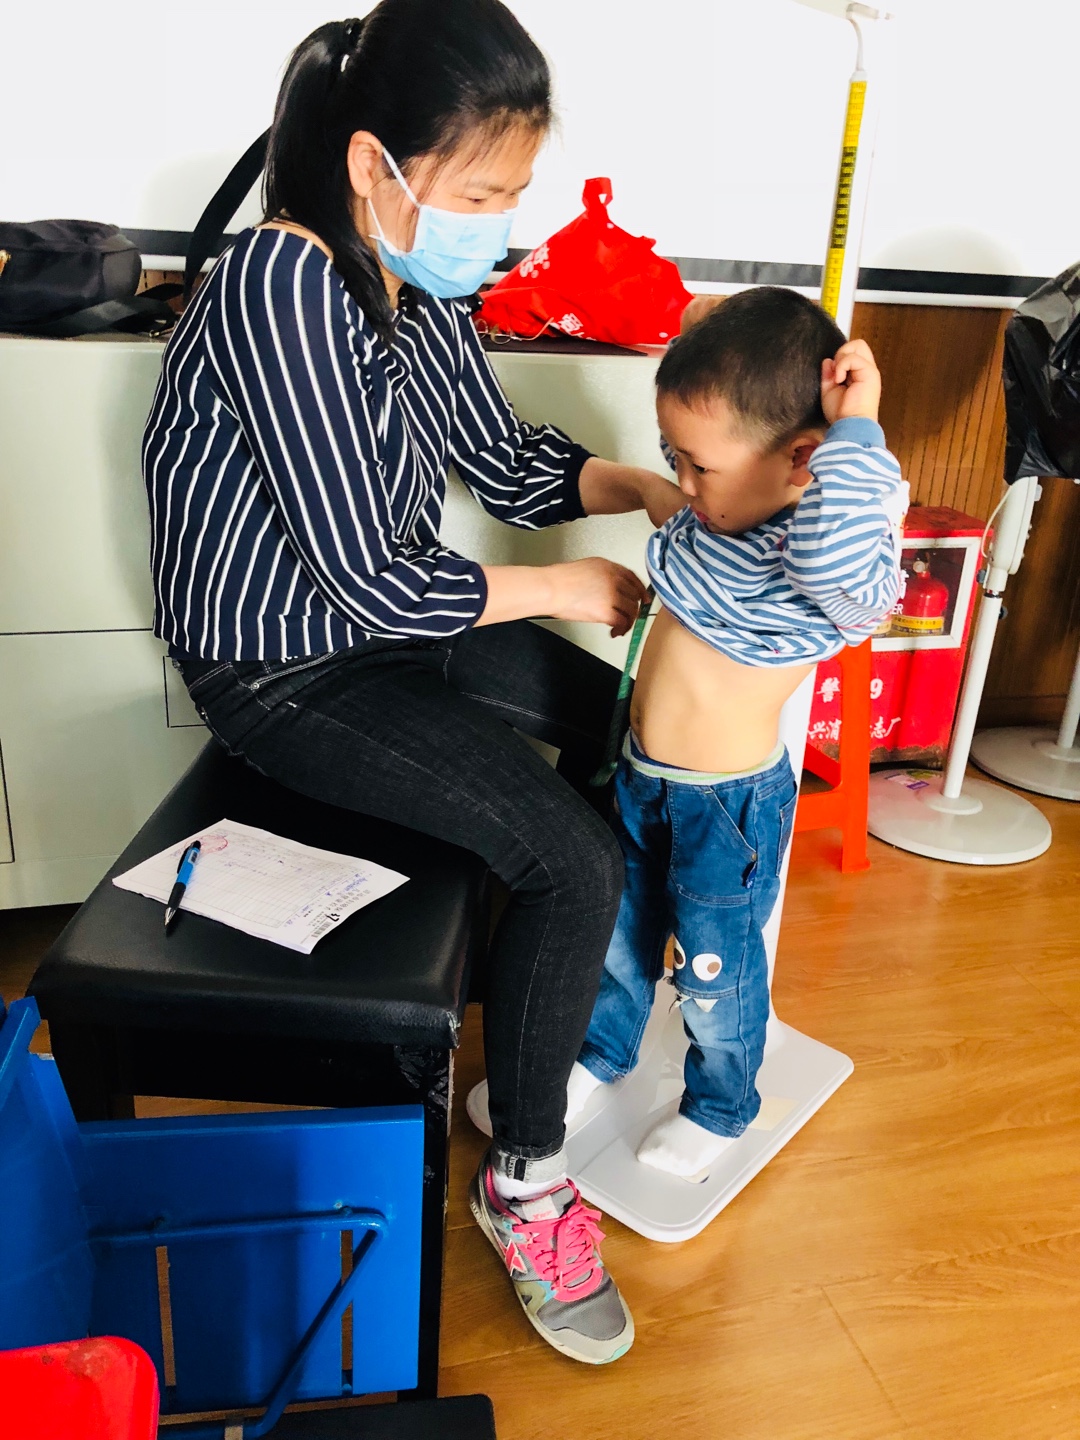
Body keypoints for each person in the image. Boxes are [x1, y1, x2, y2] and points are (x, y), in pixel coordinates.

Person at [143, 0, 684, 1366]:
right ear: (376, 166)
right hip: (285, 668)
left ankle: (547, 1039)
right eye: (482, 194)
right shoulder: (279, 287)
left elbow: (503, 463)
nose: (497, 226)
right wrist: (564, 589)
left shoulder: (413, 287)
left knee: (631, 732)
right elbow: (373, 578)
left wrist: (641, 486)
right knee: (572, 861)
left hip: (388, 626)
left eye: (514, 194)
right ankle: (528, 1185)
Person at [564, 287, 909, 1179]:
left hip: (727, 808)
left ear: (806, 460)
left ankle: (721, 1106)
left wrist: (856, 427)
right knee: (618, 938)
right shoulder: (721, 509)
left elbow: (843, 539)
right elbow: (690, 463)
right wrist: (702, 333)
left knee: (714, 973)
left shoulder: (826, 558)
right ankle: (602, 1051)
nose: (682, 483)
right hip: (641, 775)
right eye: (676, 459)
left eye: (699, 467)